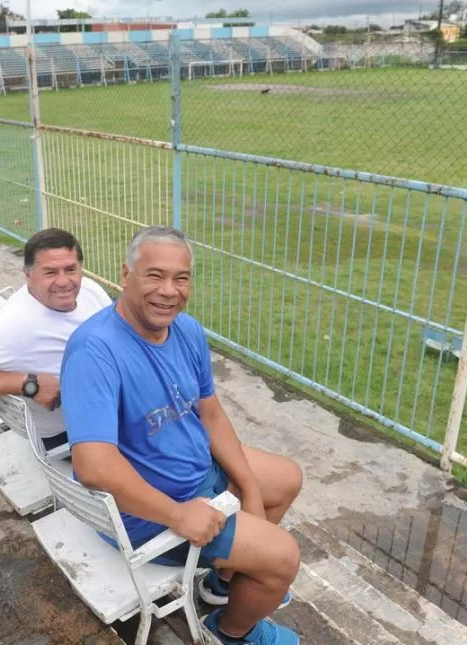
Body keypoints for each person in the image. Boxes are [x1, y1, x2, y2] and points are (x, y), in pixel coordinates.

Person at [60, 226, 304, 645]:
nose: (168, 291)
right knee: (284, 557)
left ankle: (224, 583)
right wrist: (178, 516)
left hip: (196, 473)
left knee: (284, 480)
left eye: (181, 278)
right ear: (126, 275)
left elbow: (209, 413)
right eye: (154, 276)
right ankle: (230, 633)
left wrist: (249, 489)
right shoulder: (94, 350)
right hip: (152, 513)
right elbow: (93, 466)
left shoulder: (187, 331)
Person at [0, 228, 112, 450]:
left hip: (112, 406)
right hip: (74, 434)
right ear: (28, 276)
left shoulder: (90, 290)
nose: (64, 281)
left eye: (71, 269)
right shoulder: (13, 324)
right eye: (50, 272)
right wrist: (29, 384)